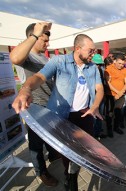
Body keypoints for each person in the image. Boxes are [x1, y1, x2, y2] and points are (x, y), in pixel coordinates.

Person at [12, 33, 104, 191]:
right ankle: (70, 178)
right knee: (68, 151)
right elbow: (39, 77)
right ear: (77, 48)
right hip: (62, 116)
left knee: (82, 151)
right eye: (90, 50)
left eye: (94, 51)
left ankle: (73, 174)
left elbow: (99, 88)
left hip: (85, 115)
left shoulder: (92, 67)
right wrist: (25, 89)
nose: (93, 54)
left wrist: (95, 105)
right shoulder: (59, 61)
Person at [9, 22, 59, 187]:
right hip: (34, 107)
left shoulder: (45, 58)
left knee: (50, 136)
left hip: (49, 104)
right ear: (34, 37)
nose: (48, 44)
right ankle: (41, 172)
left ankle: (52, 155)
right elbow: (14, 58)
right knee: (36, 144)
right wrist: (36, 33)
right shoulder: (27, 55)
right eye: (44, 40)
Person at [104, 55, 126, 136]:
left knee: (118, 112)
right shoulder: (108, 69)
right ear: (115, 61)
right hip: (110, 95)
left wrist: (121, 92)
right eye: (119, 63)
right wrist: (117, 92)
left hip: (121, 95)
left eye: (122, 64)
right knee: (110, 113)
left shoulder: (125, 70)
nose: (121, 65)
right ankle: (109, 129)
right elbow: (108, 83)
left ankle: (116, 127)